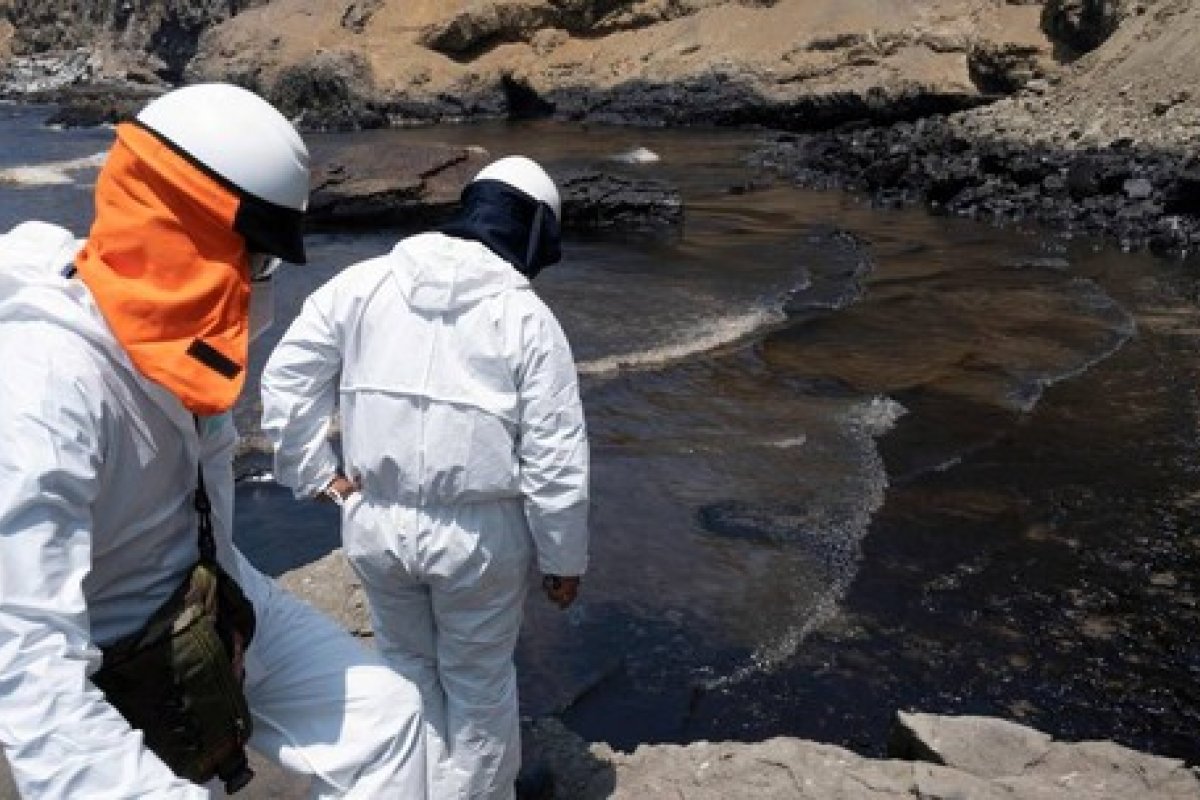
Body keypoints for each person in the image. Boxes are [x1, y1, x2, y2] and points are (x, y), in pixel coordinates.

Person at [0, 83, 426, 798]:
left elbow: (196, 509)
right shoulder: (45, 389)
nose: (262, 289)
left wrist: (231, 611)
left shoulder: (173, 337)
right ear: (191, 245)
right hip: (104, 650)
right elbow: (28, 658)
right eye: (257, 263)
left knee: (388, 723)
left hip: (208, 588)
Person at [260, 155, 590, 799]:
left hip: (374, 522)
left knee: (405, 669)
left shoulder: (363, 283)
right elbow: (556, 456)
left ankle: (408, 785)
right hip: (479, 537)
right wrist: (563, 557)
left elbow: (288, 378)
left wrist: (315, 474)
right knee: (478, 683)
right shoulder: (526, 317)